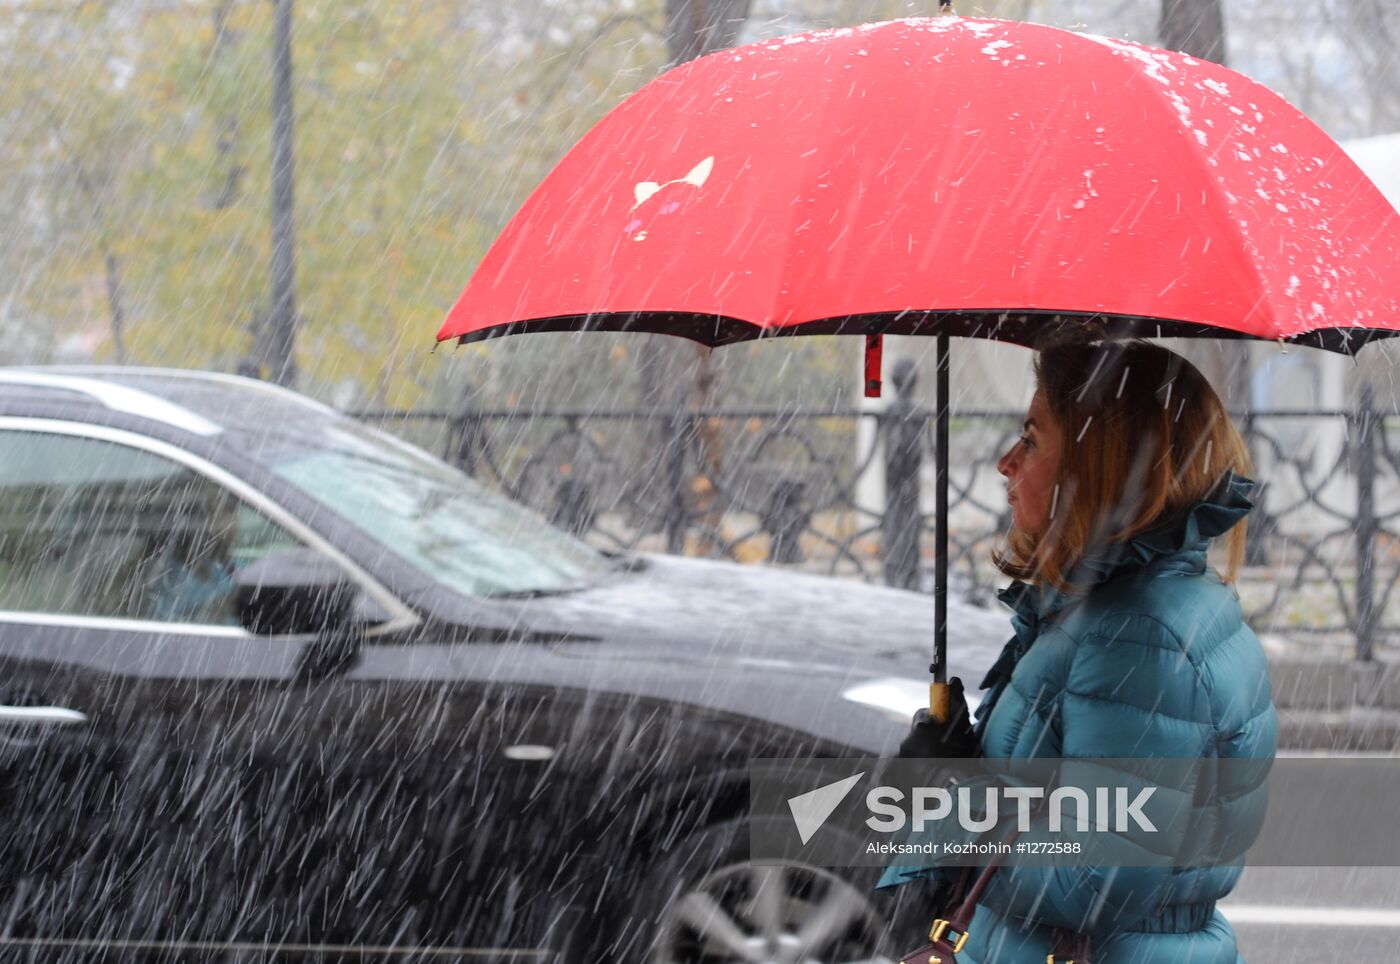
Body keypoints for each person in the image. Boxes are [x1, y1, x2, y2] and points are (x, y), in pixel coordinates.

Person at [878, 336, 1277, 963]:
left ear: (1097, 466)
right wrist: (969, 766)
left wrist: (944, 800)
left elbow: (1095, 879)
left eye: (1032, 439)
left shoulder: (1138, 637)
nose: (1006, 462)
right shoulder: (1117, 608)